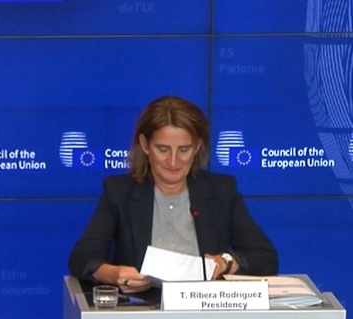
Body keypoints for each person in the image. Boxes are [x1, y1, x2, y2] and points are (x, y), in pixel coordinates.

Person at [68, 95, 278, 294]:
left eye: (184, 150)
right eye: (163, 149)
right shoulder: (119, 192)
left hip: (206, 308)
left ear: (197, 147)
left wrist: (226, 263)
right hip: (142, 308)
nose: (173, 161)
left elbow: (265, 258)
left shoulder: (221, 191)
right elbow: (82, 257)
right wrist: (114, 275)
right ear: (145, 145)